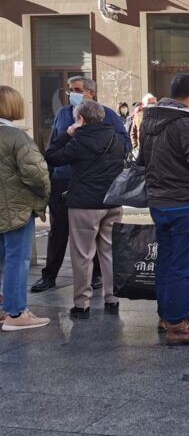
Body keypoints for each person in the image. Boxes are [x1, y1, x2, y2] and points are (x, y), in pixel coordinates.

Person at [32, 76, 130, 294]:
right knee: (58, 231)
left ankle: (96, 276)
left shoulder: (107, 114)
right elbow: (54, 148)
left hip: (91, 181)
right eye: (70, 90)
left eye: (76, 90)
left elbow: (125, 143)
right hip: (62, 179)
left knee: (94, 234)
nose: (71, 94)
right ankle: (49, 276)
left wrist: (96, 154)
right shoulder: (64, 114)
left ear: (90, 93)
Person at [140, 73, 189, 345]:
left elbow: (142, 161)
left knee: (166, 262)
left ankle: (168, 316)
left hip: (160, 203)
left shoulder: (151, 120)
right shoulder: (188, 124)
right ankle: (178, 325)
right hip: (187, 204)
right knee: (182, 267)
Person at [44, 100, 125, 317]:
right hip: (112, 202)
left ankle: (82, 304)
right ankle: (112, 298)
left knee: (82, 255)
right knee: (108, 252)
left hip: (84, 204)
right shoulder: (117, 140)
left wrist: (67, 135)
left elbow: (51, 155)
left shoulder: (78, 141)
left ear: (80, 119)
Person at [0, 86, 52, 332]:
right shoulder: (17, 137)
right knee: (17, 260)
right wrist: (43, 196)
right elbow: (37, 174)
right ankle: (16, 312)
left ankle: (4, 308)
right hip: (17, 209)